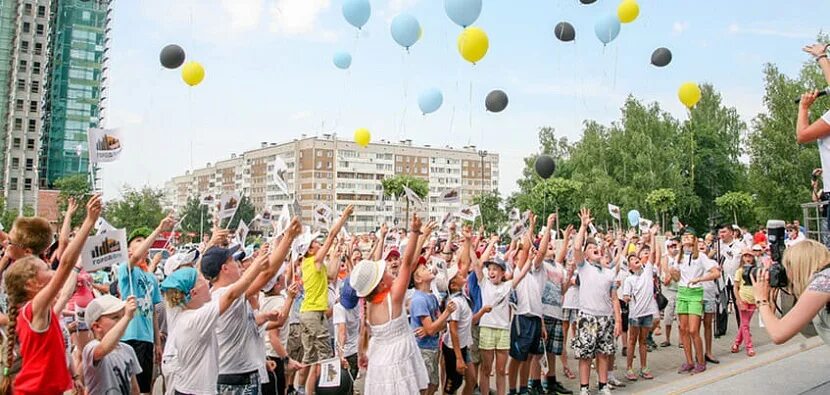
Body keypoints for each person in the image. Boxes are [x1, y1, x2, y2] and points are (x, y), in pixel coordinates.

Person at [1, 195, 101, 395]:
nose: (52, 272)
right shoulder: (33, 310)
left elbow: (60, 349)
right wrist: (89, 222)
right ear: (32, 286)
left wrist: (72, 375)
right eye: (46, 271)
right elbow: (65, 264)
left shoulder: (37, 312)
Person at [160, 245, 270, 395]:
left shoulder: (183, 313)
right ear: (194, 292)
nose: (207, 282)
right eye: (201, 280)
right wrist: (257, 266)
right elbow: (231, 295)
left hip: (188, 388)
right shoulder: (196, 319)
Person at [351, 214, 429, 394]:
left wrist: (361, 353)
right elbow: (407, 263)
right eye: (383, 271)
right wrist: (415, 232)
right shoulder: (393, 297)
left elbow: (364, 332)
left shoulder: (369, 303)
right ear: (380, 284)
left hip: (379, 361)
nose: (388, 269)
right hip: (400, 358)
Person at [119, 214, 176, 395]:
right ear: (129, 250)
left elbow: (152, 311)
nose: (143, 242)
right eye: (138, 240)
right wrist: (159, 230)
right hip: (129, 337)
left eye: (144, 240)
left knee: (146, 388)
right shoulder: (126, 270)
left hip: (147, 338)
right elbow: (136, 256)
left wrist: (157, 343)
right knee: (130, 388)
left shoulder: (151, 278)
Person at [300, 206, 353, 394]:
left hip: (310, 314)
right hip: (313, 314)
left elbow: (331, 275)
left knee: (312, 359)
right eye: (314, 242)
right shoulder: (312, 261)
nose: (318, 242)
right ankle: (328, 390)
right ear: (309, 249)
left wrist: (337, 255)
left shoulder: (315, 265)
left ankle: (306, 391)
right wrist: (344, 216)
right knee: (326, 356)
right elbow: (330, 235)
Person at [569, 208, 622, 395]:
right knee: (585, 355)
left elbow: (614, 298)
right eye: (591, 249)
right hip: (588, 317)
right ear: (586, 254)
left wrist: (618, 321)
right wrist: (583, 226)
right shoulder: (584, 268)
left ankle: (603, 385)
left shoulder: (609, 272)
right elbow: (576, 248)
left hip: (605, 318)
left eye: (597, 248)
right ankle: (584, 388)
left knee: (603, 353)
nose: (596, 250)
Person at [753, 240, 830, 345]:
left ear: (798, 266)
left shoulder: (823, 282)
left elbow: (778, 334)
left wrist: (761, 299)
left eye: (788, 268)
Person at [670, 227, 721, 375]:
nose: (685, 238)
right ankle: (689, 362)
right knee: (683, 330)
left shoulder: (701, 257)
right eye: (684, 236)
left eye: (689, 236)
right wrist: (672, 273)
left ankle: (701, 361)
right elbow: (676, 278)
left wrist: (700, 278)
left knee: (693, 330)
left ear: (694, 239)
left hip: (695, 293)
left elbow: (716, 273)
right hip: (682, 292)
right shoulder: (678, 257)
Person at [409, 258, 456, 395]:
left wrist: (433, 327)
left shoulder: (432, 297)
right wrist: (446, 313)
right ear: (418, 279)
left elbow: (440, 326)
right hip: (424, 349)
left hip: (433, 347)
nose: (429, 269)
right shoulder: (419, 300)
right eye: (424, 269)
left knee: (433, 385)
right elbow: (431, 328)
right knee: (426, 387)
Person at [82, 295, 142, 394]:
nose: (122, 321)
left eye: (122, 316)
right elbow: (103, 349)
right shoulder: (91, 348)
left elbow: (134, 388)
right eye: (115, 317)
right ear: (96, 326)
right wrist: (127, 317)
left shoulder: (128, 349)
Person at [733, 249, 760, 357]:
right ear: (742, 258)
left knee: (744, 324)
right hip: (743, 298)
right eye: (745, 256)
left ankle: (736, 343)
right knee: (745, 325)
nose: (748, 258)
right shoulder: (739, 271)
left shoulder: (756, 270)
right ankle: (749, 347)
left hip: (753, 299)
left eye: (750, 256)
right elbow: (735, 287)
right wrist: (738, 300)